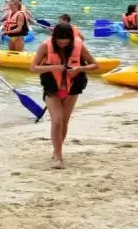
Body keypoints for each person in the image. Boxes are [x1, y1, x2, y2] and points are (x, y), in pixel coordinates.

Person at [30, 23, 98, 169]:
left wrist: (80, 68)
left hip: (72, 88)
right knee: (56, 121)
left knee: (64, 121)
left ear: (71, 39)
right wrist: (52, 67)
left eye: (66, 41)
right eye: (60, 41)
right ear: (54, 38)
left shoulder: (79, 47)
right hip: (52, 88)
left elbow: (94, 65)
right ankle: (58, 156)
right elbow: (33, 67)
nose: (63, 44)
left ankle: (57, 151)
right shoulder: (44, 46)